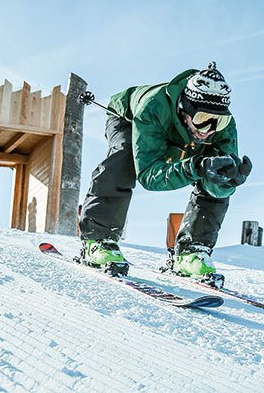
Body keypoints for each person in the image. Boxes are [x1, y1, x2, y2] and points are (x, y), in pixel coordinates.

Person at [78, 62, 252, 282]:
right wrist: (195, 166)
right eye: (202, 119)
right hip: (129, 120)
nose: (209, 129)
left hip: (176, 131)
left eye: (218, 120)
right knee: (125, 157)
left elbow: (218, 180)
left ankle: (192, 250)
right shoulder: (152, 108)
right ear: (185, 109)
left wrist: (227, 181)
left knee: (217, 171)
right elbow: (149, 176)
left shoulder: (222, 128)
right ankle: (98, 239)